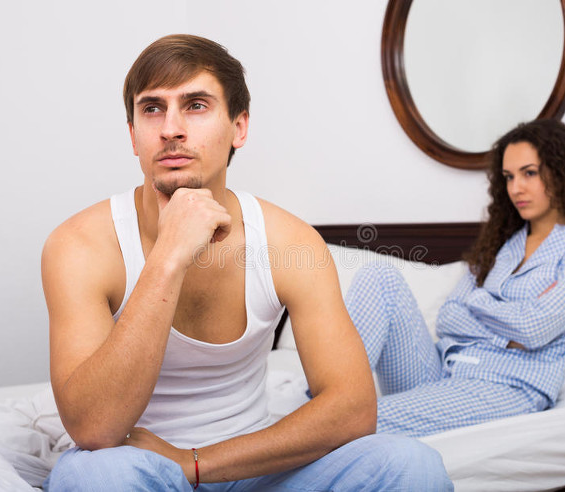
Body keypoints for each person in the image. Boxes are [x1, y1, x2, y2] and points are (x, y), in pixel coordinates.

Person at [41, 34, 452, 491]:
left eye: (196, 105)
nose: (171, 128)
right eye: (152, 108)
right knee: (97, 476)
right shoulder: (78, 245)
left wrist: (193, 463)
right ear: (133, 135)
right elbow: (94, 428)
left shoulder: (288, 241)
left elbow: (352, 410)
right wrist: (169, 256)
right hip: (133, 468)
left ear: (239, 128)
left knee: (412, 464)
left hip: (248, 469)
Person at [345, 119, 565, 437]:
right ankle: (328, 397)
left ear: (562, 172)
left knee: (358, 422)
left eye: (529, 173)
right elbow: (448, 318)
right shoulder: (501, 243)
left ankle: (320, 420)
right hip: (444, 367)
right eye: (509, 177)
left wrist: (478, 300)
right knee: (379, 276)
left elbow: (534, 329)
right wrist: (508, 331)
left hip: (506, 384)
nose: (516, 188)